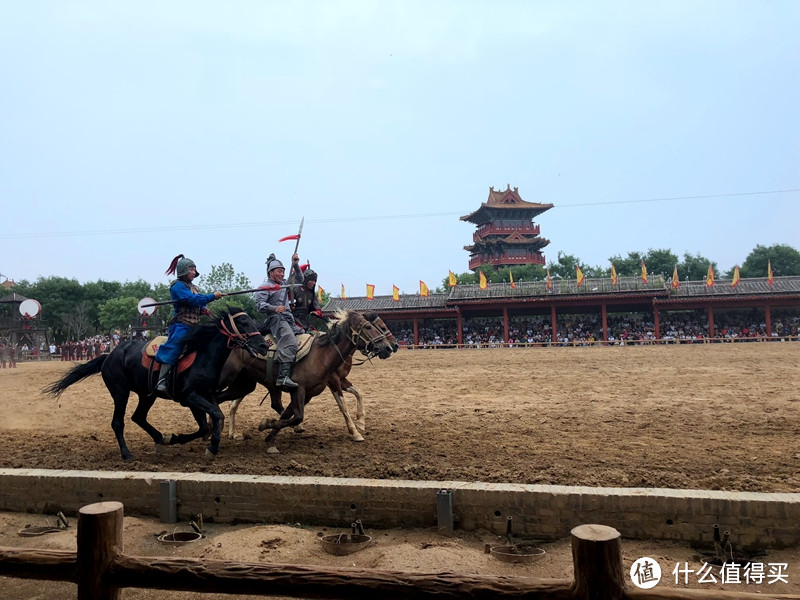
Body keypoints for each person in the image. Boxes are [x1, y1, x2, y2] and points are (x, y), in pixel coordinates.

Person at [154, 254, 223, 398]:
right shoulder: (177, 287)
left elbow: (198, 302)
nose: (194, 272)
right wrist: (212, 296)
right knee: (174, 347)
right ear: (184, 271)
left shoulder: (194, 287)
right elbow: (191, 300)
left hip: (195, 326)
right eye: (192, 269)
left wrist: (203, 310)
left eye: (194, 269)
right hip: (181, 326)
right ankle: (162, 380)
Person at [254, 252, 304, 389]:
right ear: (271, 273)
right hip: (276, 319)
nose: (282, 274)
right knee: (290, 341)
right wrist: (274, 308)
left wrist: (295, 265)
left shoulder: (285, 284)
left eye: (283, 271)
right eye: (279, 271)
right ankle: (282, 377)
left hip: (288, 318)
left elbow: (300, 280)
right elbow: (259, 305)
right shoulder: (264, 287)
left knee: (305, 334)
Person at [292, 266, 322, 331]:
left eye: (314, 281)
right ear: (305, 280)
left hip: (304, 322)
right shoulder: (294, 290)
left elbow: (318, 310)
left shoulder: (312, 294)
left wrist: (316, 313)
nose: (313, 283)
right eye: (311, 280)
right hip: (291, 320)